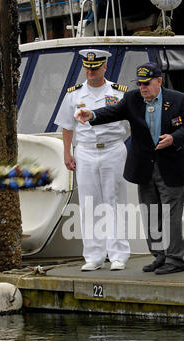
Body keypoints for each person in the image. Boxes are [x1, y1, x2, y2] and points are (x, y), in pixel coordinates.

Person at [76, 62, 184, 274]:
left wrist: (173, 138)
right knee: (151, 213)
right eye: (139, 84)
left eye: (146, 84)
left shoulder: (178, 99)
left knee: (171, 215)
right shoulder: (132, 99)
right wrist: (91, 115)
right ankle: (159, 256)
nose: (142, 88)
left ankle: (175, 259)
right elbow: (112, 112)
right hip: (144, 167)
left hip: (170, 165)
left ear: (159, 81)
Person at [55, 49, 130, 271]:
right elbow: (67, 126)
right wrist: (67, 152)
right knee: (89, 203)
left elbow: (129, 125)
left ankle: (118, 254)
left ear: (104, 67)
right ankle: (94, 256)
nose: (90, 71)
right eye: (87, 68)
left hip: (112, 149)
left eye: (95, 68)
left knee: (115, 201)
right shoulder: (74, 94)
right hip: (86, 151)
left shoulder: (118, 93)